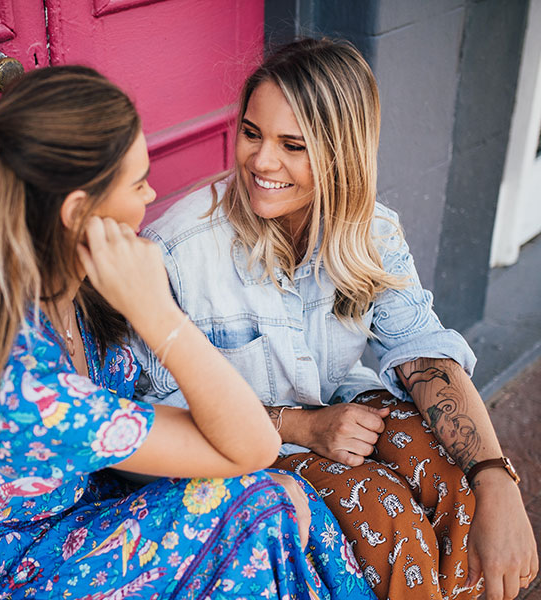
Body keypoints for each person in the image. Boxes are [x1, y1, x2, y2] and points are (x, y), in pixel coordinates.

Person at [0, 65, 376, 600]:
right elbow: (252, 445)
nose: (152, 194)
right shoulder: (24, 383)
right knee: (260, 504)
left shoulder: (71, 293)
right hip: (10, 571)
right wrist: (159, 316)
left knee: (284, 495)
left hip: (74, 513)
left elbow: (232, 440)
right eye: (137, 183)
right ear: (79, 212)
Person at [131, 38, 538, 600]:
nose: (261, 161)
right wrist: (299, 426)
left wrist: (497, 480)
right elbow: (145, 414)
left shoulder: (370, 231)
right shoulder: (177, 248)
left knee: (456, 485)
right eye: (252, 133)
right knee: (384, 515)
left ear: (341, 151)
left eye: (292, 145)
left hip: (339, 410)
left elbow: (421, 350)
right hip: (239, 452)